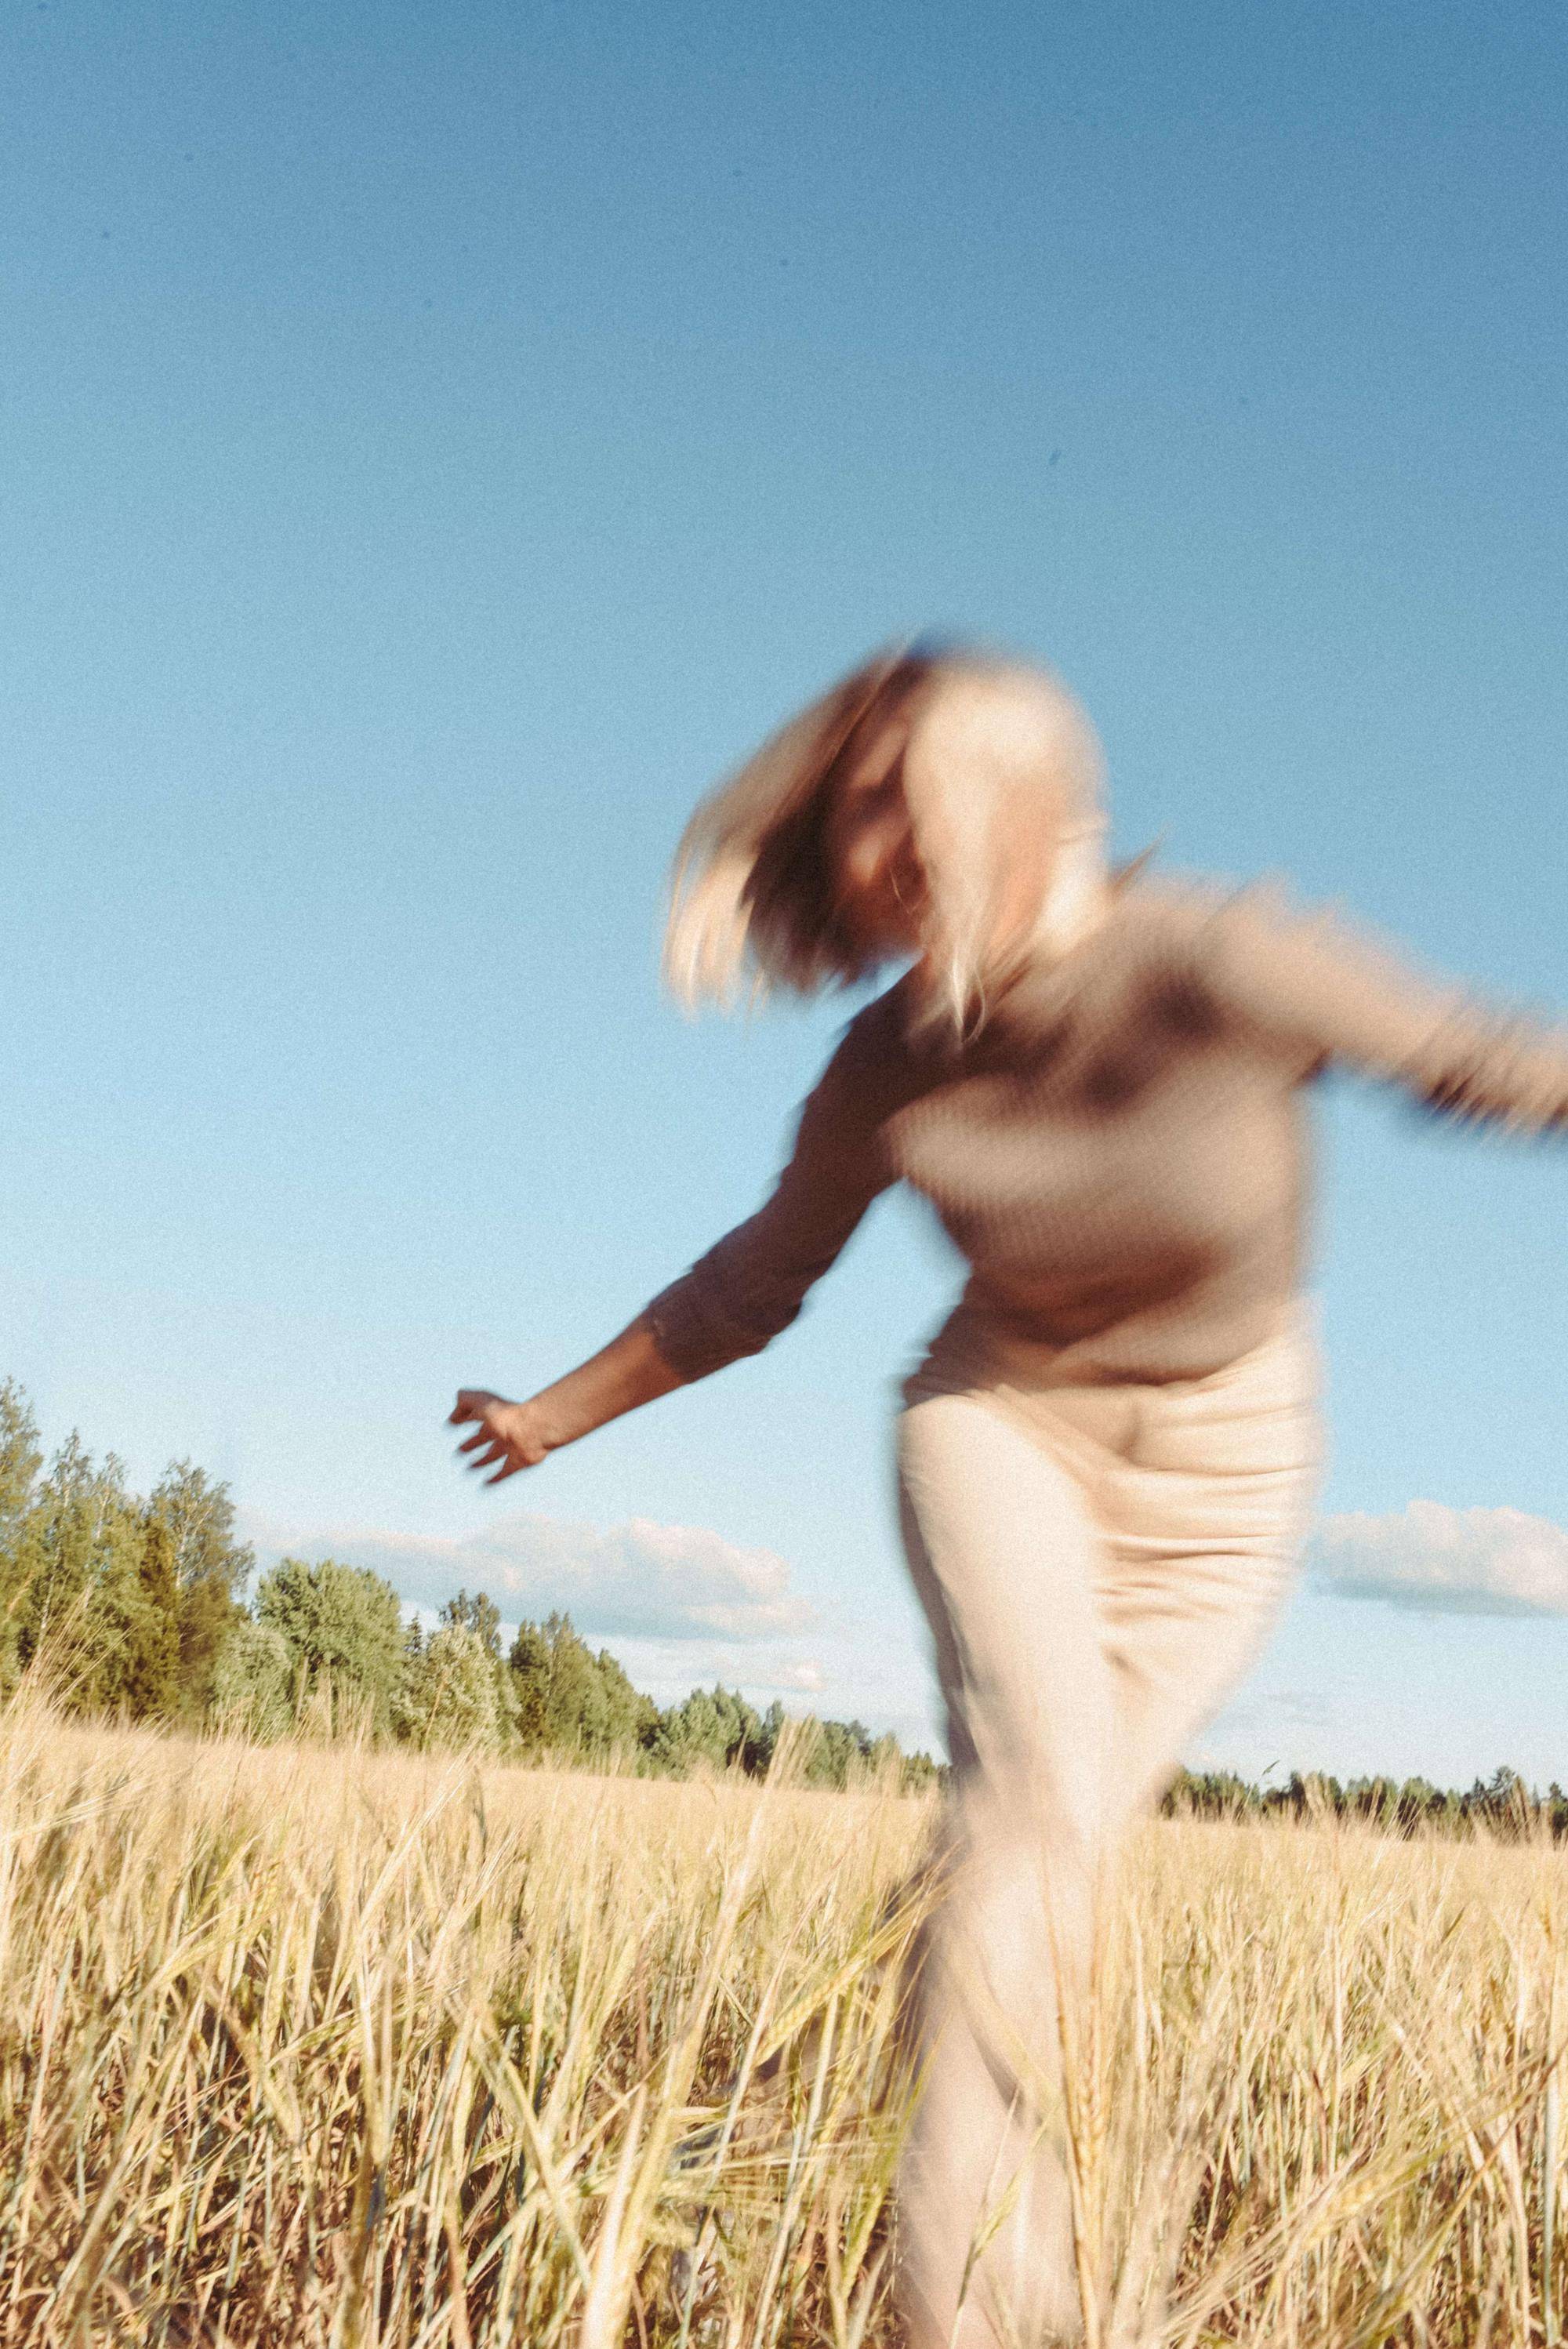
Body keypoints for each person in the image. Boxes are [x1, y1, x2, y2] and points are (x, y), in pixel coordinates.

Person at [448, 645, 1568, 2346]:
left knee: (1049, 1857)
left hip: (1229, 1465)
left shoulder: (1216, 957)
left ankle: (1031, 2230)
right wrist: (547, 1420)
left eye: (903, 792)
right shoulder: (882, 1068)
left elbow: (1484, 1058)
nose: (878, 842)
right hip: (1003, 1423)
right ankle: (970, 2301)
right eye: (852, 813)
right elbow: (751, 1283)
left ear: (1033, 790)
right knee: (1030, 1810)